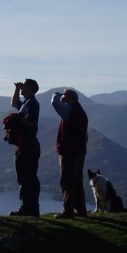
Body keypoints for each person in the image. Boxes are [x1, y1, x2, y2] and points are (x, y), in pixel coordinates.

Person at [51, 88, 89, 218]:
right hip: (80, 150)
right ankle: (81, 210)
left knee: (67, 181)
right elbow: (85, 135)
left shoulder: (69, 109)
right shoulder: (81, 112)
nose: (63, 99)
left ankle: (68, 211)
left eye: (65, 96)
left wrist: (56, 95)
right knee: (77, 181)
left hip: (69, 151)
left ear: (71, 98)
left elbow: (55, 103)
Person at [8, 78, 41, 217]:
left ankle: (26, 207)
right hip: (28, 145)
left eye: (24, 85)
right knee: (30, 177)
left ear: (31, 88)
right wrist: (17, 88)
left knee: (24, 177)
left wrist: (15, 120)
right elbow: (14, 103)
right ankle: (32, 208)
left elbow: (30, 122)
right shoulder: (27, 103)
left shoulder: (32, 103)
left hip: (27, 146)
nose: (22, 87)